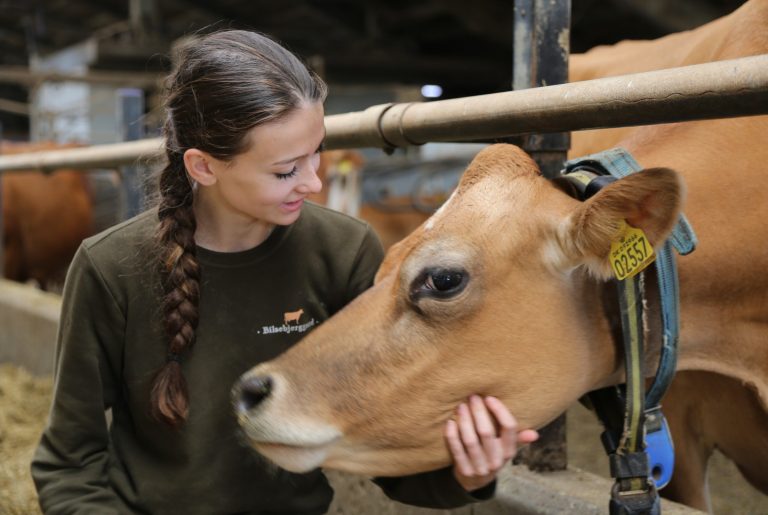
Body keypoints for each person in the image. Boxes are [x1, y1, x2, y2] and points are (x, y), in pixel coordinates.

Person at [31, 30, 538, 514]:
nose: (314, 183)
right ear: (203, 167)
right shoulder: (109, 266)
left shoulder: (344, 250)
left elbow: (388, 452)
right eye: (285, 170)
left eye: (316, 152)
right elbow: (68, 461)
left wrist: (465, 474)